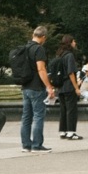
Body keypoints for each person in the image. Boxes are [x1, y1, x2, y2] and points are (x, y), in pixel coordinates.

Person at [19, 25, 56, 153]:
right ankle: (37, 145)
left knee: (26, 117)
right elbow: (41, 69)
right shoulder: (39, 49)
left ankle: (26, 145)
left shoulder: (24, 48)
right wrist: (49, 86)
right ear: (43, 37)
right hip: (36, 87)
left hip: (25, 86)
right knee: (38, 116)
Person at [52, 34, 82, 141]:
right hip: (69, 86)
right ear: (70, 43)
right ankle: (71, 132)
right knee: (71, 109)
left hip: (60, 87)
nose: (75, 43)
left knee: (63, 109)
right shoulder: (69, 56)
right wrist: (76, 88)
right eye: (74, 41)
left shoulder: (59, 55)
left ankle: (63, 131)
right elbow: (71, 73)